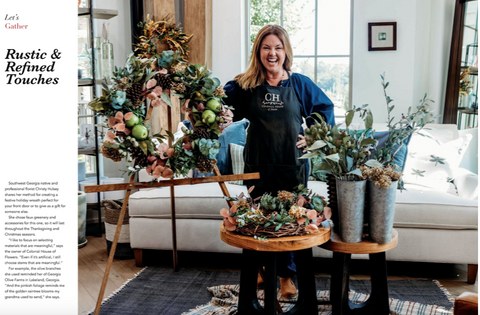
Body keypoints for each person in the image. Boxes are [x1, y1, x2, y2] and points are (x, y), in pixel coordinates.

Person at [224, 24, 335, 299]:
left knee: (290, 219)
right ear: (258, 51)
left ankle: (286, 276)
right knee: (257, 218)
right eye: (266, 47)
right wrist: (222, 115)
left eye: (277, 47)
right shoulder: (245, 85)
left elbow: (326, 108)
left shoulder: (299, 84)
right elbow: (219, 104)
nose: (272, 53)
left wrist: (315, 136)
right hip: (258, 165)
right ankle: (262, 268)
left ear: (286, 52)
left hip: (292, 164)